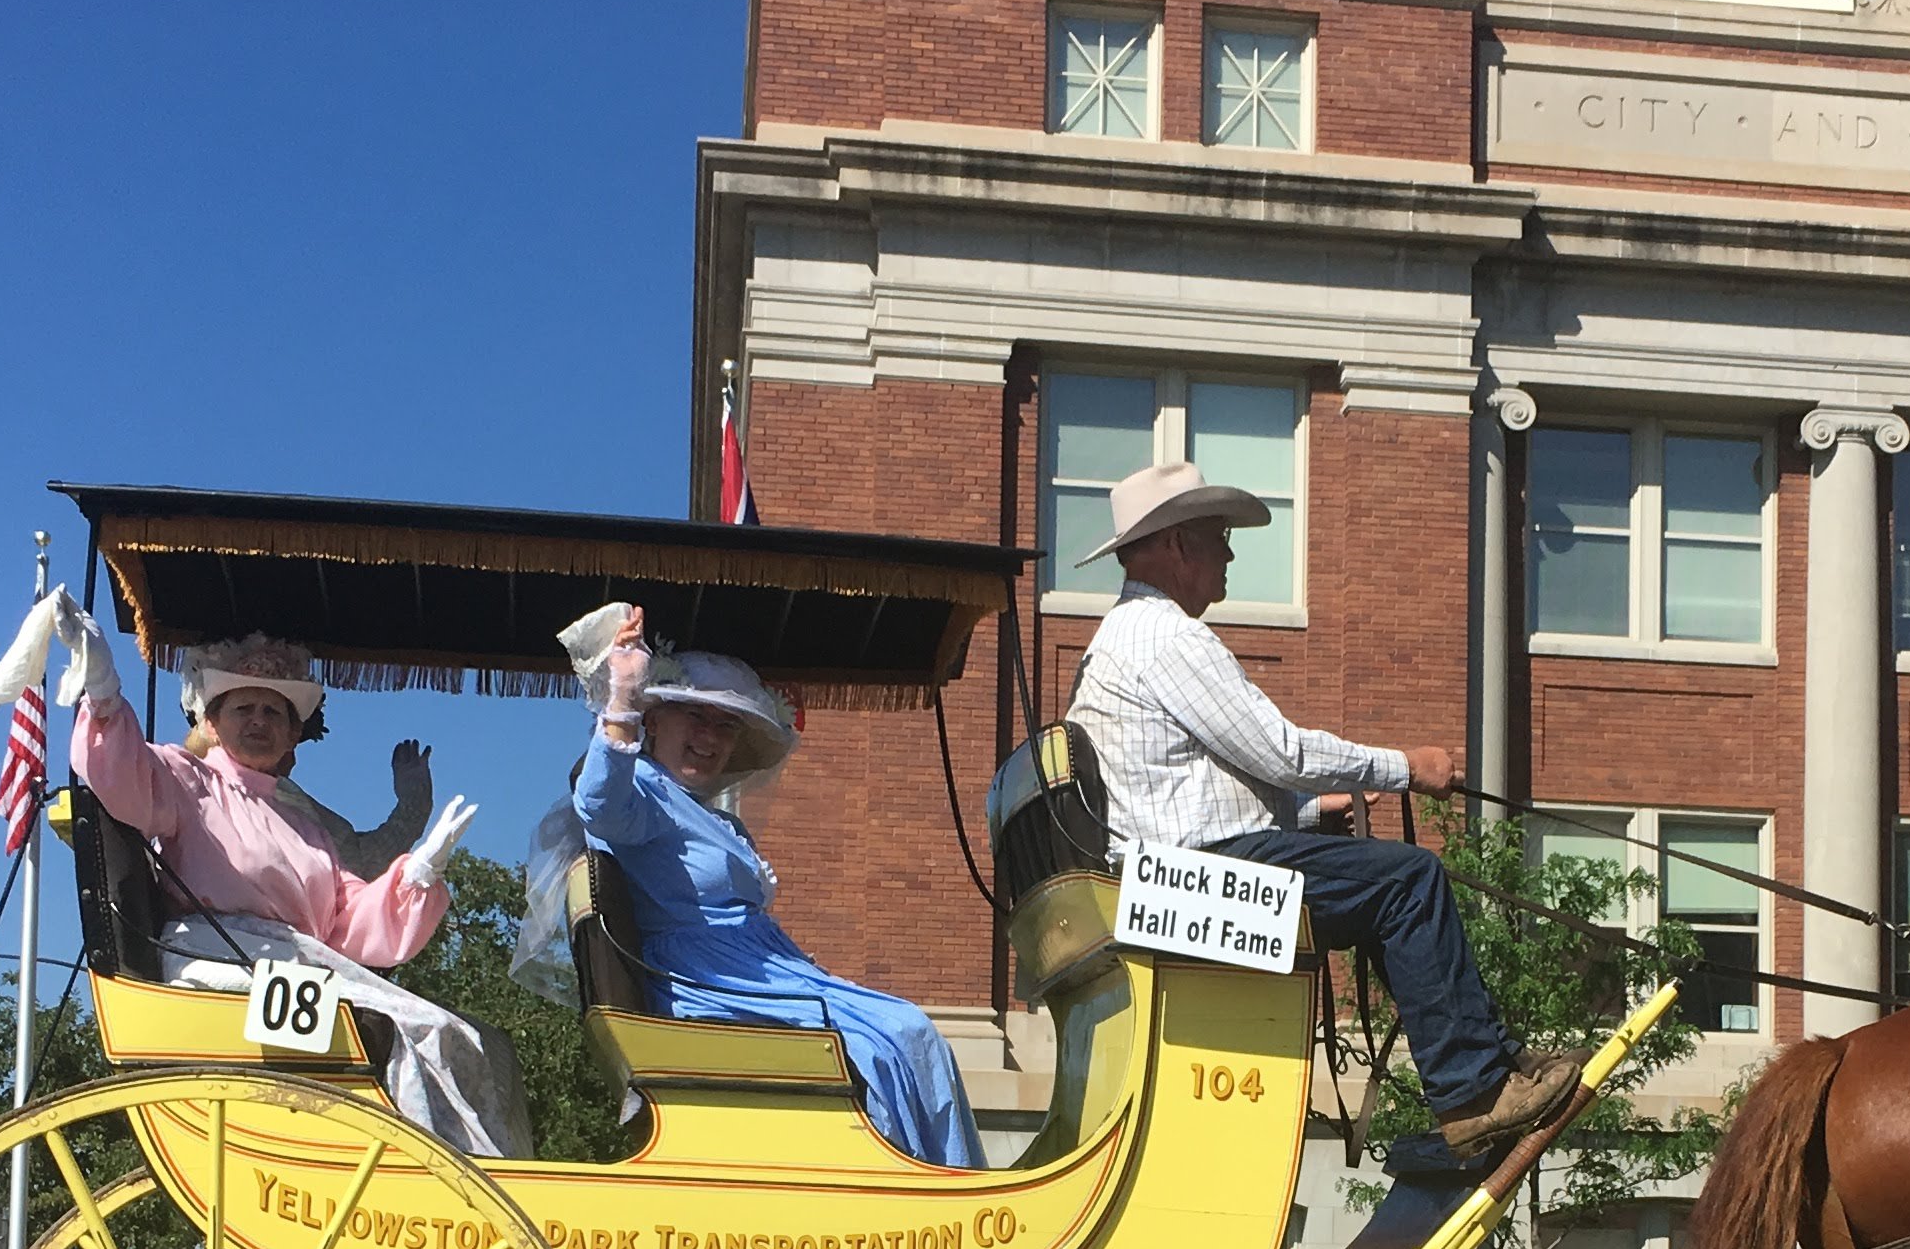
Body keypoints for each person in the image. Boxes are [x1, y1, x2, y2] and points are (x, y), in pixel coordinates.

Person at [1066, 459, 1580, 1163]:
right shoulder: (1164, 636)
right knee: (1409, 882)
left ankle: (1488, 1063)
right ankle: (1474, 1094)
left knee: (1388, 882)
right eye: (1218, 536)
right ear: (1178, 544)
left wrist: (1307, 821)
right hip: (1191, 879)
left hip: (1165, 880)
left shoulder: (1119, 641)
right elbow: (1281, 752)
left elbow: (1183, 786)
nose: (1231, 553)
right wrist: (1407, 768)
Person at [0, 620, 525, 1158]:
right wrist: (106, 693)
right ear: (213, 720)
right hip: (220, 960)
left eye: (273, 712)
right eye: (242, 709)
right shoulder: (187, 779)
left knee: (450, 1032)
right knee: (416, 1028)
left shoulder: (308, 828)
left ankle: (470, 1174)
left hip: (297, 965)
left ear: (293, 733)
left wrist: (416, 875)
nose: (258, 721)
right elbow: (128, 778)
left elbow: (351, 923)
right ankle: (442, 1173)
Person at [561, 604, 980, 1170]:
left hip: (757, 972)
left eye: (726, 724)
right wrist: (623, 702)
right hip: (706, 982)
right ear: (655, 719)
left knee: (908, 1031)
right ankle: (925, 1188)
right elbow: (597, 804)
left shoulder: (715, 818)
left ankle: (935, 1184)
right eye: (695, 716)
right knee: (902, 1033)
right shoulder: (644, 793)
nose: (710, 736)